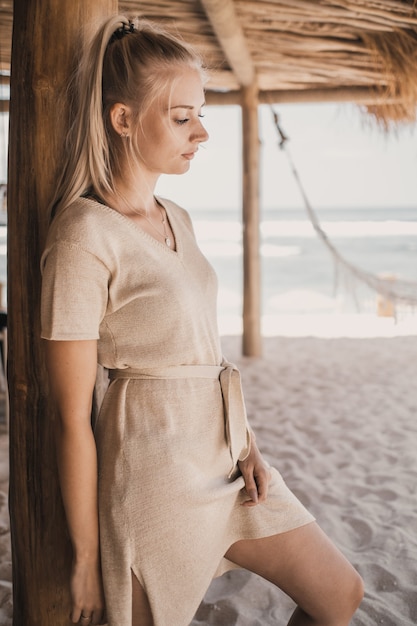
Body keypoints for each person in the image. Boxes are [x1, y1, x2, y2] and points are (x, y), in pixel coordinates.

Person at [41, 14, 364, 626]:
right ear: (123, 120)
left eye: (201, 114)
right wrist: (85, 559)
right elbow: (71, 417)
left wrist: (248, 444)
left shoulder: (177, 217)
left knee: (339, 593)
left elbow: (203, 350)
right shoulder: (83, 236)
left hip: (226, 462)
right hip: (153, 473)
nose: (202, 132)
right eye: (182, 116)